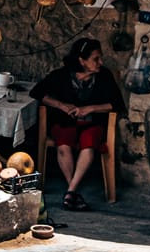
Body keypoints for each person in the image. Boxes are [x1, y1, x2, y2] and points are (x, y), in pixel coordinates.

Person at [34, 37, 124, 211]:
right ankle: (73, 192)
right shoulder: (62, 75)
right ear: (81, 61)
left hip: (92, 124)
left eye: (100, 58)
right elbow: (38, 92)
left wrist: (90, 108)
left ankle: (71, 192)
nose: (101, 62)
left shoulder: (104, 76)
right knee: (63, 144)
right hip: (65, 122)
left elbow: (117, 104)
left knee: (89, 143)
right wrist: (61, 105)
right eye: (95, 59)